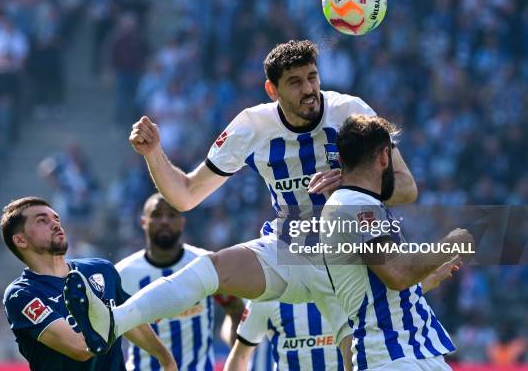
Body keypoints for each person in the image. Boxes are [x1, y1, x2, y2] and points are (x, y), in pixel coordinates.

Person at [63, 39, 418, 363]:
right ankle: (110, 322)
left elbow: (406, 188)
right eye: (295, 82)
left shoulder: (350, 112)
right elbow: (186, 195)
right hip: (289, 250)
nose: (309, 90)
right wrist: (154, 153)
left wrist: (352, 183)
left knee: (361, 359)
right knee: (213, 268)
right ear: (272, 89)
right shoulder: (252, 126)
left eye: (312, 77)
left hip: (350, 258)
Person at [321, 114, 474, 370]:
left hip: (412, 353)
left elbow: (381, 293)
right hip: (390, 357)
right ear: (384, 156)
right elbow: (398, 273)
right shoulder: (352, 205)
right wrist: (451, 243)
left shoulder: (360, 204)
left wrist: (427, 278)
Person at [0, 197, 177, 371]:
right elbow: (80, 349)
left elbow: (133, 323)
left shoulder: (101, 269)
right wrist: (131, 311)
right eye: (42, 221)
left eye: (56, 219)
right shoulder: (21, 295)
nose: (55, 224)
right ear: (20, 240)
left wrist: (166, 359)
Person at [224, 263, 461, 371]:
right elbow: (240, 354)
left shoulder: (345, 292)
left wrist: (430, 280)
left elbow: (387, 300)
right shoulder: (270, 299)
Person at [116, 193, 244, 370]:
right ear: (143, 222)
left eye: (172, 215)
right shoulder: (122, 274)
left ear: (182, 222)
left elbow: (237, 310)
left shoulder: (206, 263)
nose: (164, 221)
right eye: (156, 214)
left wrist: (238, 357)